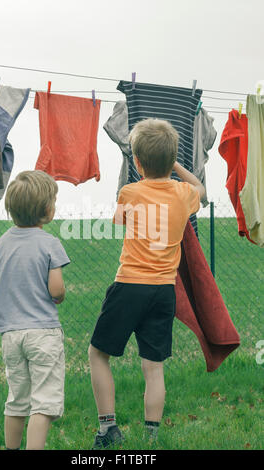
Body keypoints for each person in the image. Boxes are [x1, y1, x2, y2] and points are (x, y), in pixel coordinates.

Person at [88, 118, 206, 449]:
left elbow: (121, 220)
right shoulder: (184, 194)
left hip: (129, 285)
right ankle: (151, 436)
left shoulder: (129, 192)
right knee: (153, 368)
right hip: (163, 291)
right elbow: (201, 189)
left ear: (137, 162)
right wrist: (175, 167)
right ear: (170, 161)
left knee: (98, 354)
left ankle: (108, 429)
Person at [0, 170, 70, 450]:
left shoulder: (0, 244)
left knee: (17, 399)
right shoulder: (49, 244)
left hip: (10, 335)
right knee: (43, 402)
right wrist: (59, 296)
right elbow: (56, 290)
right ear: (47, 210)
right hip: (42, 333)